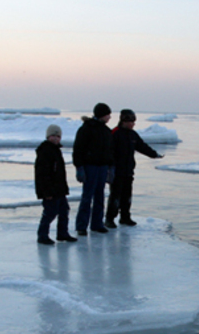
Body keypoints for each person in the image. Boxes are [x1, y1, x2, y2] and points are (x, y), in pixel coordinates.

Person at [107, 109, 163, 228]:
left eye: (134, 121)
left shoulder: (133, 134)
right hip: (116, 172)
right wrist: (110, 167)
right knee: (115, 196)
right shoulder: (115, 133)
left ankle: (125, 217)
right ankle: (110, 218)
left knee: (127, 196)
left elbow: (142, 146)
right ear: (123, 120)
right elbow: (108, 151)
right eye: (131, 121)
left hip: (128, 171)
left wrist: (154, 154)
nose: (133, 124)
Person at [72, 103, 113, 235]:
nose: (110, 117)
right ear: (102, 114)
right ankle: (81, 226)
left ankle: (97, 224)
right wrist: (79, 167)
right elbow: (78, 149)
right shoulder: (87, 128)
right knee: (87, 196)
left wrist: (111, 167)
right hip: (90, 166)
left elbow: (110, 151)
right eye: (108, 114)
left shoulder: (106, 131)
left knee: (100, 196)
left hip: (102, 167)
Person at [34, 124, 77, 245]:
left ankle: (62, 233)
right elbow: (42, 174)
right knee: (50, 212)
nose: (56, 138)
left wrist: (63, 188)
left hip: (59, 189)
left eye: (58, 136)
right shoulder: (45, 151)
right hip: (50, 190)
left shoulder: (56, 150)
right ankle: (42, 235)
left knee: (64, 210)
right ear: (48, 136)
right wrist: (46, 192)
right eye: (53, 136)